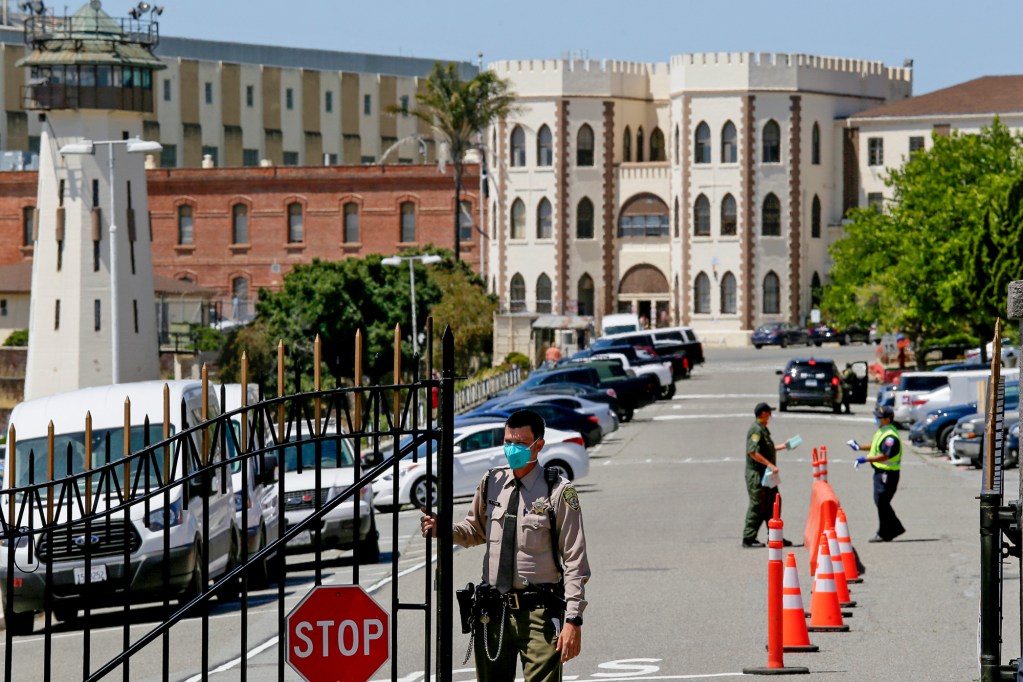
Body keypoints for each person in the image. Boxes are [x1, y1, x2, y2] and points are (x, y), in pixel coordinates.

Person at [421, 409, 590, 681]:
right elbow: (475, 530)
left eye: (520, 444)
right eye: (508, 441)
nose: (512, 449)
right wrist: (444, 530)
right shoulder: (492, 482)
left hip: (539, 614)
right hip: (493, 612)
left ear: (539, 446)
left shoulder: (558, 490)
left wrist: (573, 620)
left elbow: (575, 561)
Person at [847, 405, 906, 543]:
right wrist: (858, 446)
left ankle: (887, 531)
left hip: (888, 473)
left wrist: (865, 459)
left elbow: (885, 455)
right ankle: (893, 529)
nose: (876, 420)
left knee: (882, 501)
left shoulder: (891, 437)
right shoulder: (883, 431)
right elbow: (875, 445)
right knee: (880, 501)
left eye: (879, 418)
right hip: (880, 472)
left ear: (887, 419)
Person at [742, 402, 793, 548]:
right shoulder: (756, 430)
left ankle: (775, 536)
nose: (770, 415)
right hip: (757, 476)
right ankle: (748, 538)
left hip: (767, 475)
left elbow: (768, 449)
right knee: (757, 505)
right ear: (763, 413)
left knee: (773, 503)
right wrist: (769, 464)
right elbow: (753, 452)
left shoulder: (763, 430)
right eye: (769, 412)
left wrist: (785, 445)